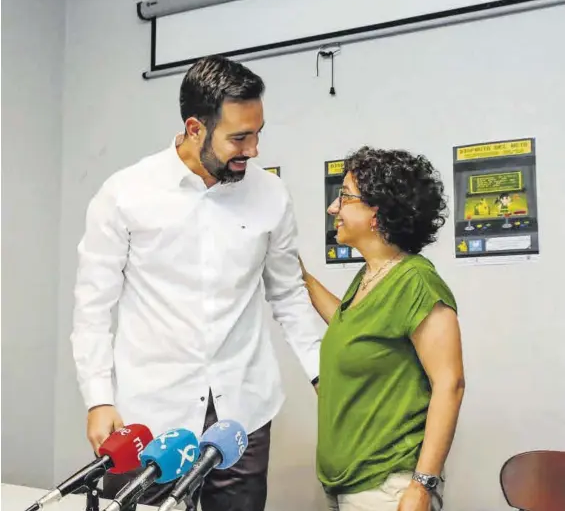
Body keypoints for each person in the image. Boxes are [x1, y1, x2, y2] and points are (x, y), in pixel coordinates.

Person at [70, 55, 321, 511]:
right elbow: (93, 308)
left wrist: (325, 373)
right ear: (194, 129)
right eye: (240, 137)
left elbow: (287, 293)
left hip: (243, 411)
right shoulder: (125, 194)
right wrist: (98, 399)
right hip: (148, 413)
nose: (254, 149)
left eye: (258, 133)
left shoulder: (270, 195)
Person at [300, 147, 465, 511]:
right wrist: (300, 276)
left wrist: (421, 487)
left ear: (376, 212)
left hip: (388, 487)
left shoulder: (417, 282)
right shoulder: (372, 275)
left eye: (344, 196)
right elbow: (353, 328)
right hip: (348, 481)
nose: (333, 208)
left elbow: (449, 384)